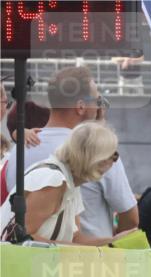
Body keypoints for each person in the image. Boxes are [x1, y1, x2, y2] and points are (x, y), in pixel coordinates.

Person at [5, 67, 139, 237]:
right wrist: (110, 241)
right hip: (86, 252)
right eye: (97, 100)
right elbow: (131, 218)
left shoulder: (19, 150)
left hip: (25, 252)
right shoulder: (98, 150)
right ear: (81, 107)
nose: (99, 106)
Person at [0, 123, 127, 246]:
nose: (114, 161)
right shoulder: (53, 181)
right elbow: (20, 239)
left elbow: (75, 239)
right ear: (96, 158)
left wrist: (114, 241)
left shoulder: (70, 181)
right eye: (114, 155)